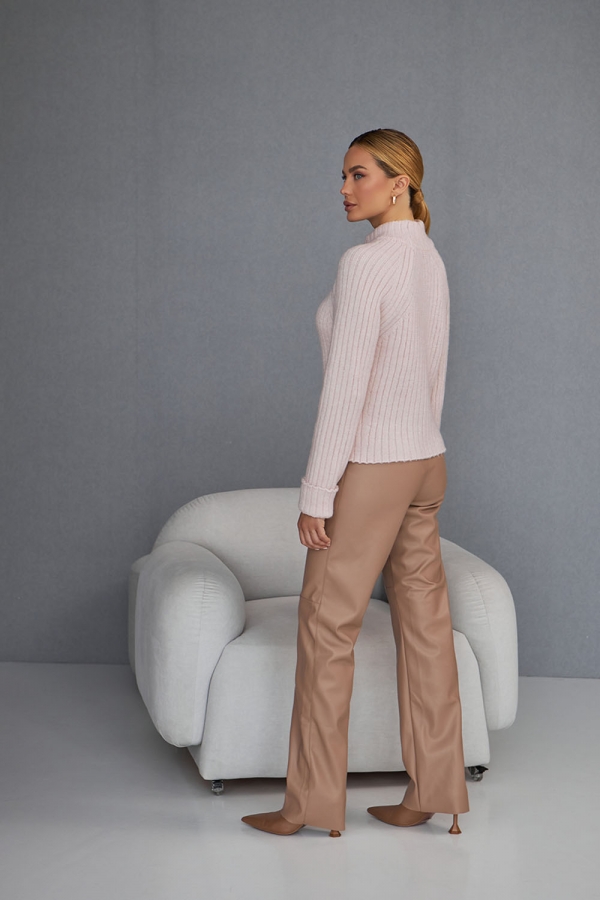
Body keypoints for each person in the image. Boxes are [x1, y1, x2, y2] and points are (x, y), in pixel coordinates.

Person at [242, 128, 469, 838]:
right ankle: (436, 792)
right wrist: (421, 445)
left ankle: (309, 805)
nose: (344, 189)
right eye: (342, 176)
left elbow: (345, 389)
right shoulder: (428, 257)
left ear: (399, 182)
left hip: (373, 466)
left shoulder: (366, 263)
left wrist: (318, 493)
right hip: (425, 459)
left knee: (325, 625)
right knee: (427, 627)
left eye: (358, 174)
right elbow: (432, 372)